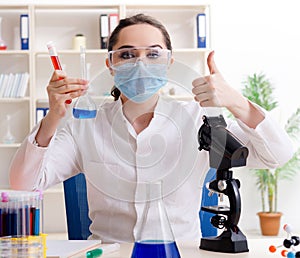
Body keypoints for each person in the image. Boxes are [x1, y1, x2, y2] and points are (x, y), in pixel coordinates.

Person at [9, 14, 294, 243]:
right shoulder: (85, 124)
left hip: (180, 253)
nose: (141, 64)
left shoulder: (198, 120)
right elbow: (24, 185)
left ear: (169, 63)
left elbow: (276, 155)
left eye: (153, 55)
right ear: (110, 65)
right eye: (127, 55)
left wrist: (235, 100)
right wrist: (53, 118)